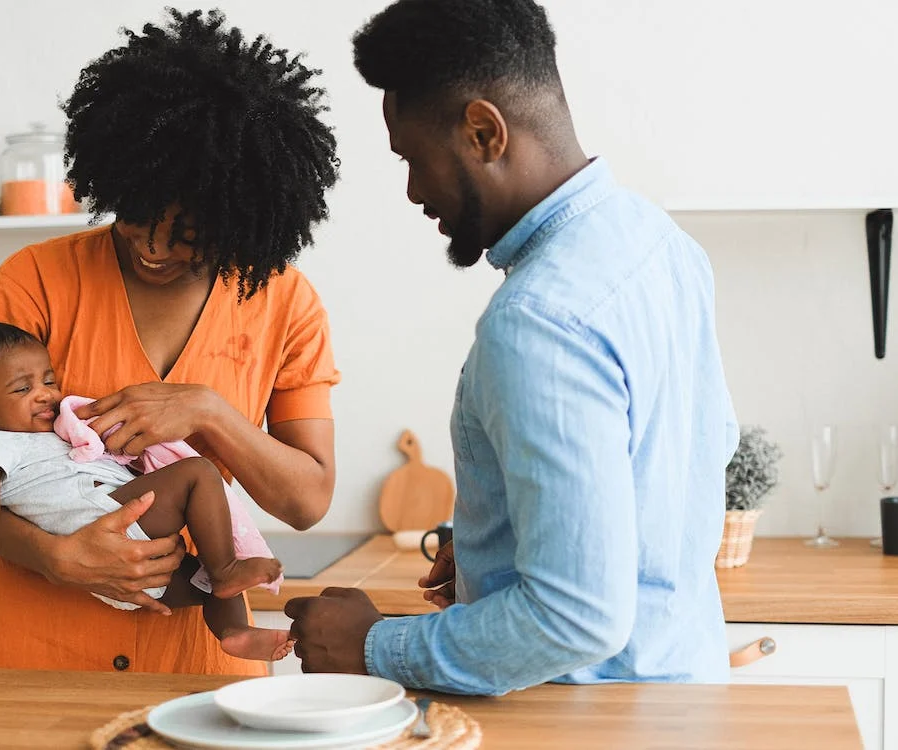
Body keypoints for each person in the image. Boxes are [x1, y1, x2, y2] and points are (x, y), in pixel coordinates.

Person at [285, 0, 739, 694]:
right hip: (683, 701)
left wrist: (375, 645)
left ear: (482, 132)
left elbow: (573, 619)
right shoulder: (658, 243)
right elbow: (681, 463)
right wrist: (491, 538)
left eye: (414, 159)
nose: (412, 192)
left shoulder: (537, 320)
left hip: (580, 726)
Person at [0, 8, 341, 675]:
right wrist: (52, 557)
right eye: (136, 217)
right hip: (27, 660)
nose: (151, 248)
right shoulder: (35, 280)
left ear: (240, 214)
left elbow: (306, 498)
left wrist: (207, 411)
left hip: (199, 670)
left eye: (185, 234)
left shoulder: (286, 304)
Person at [0, 320, 293, 662]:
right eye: (23, 388)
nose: (46, 395)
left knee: (206, 582)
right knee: (197, 473)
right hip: (106, 521)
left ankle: (234, 632)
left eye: (48, 380)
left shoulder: (57, 430)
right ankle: (227, 567)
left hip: (121, 559)